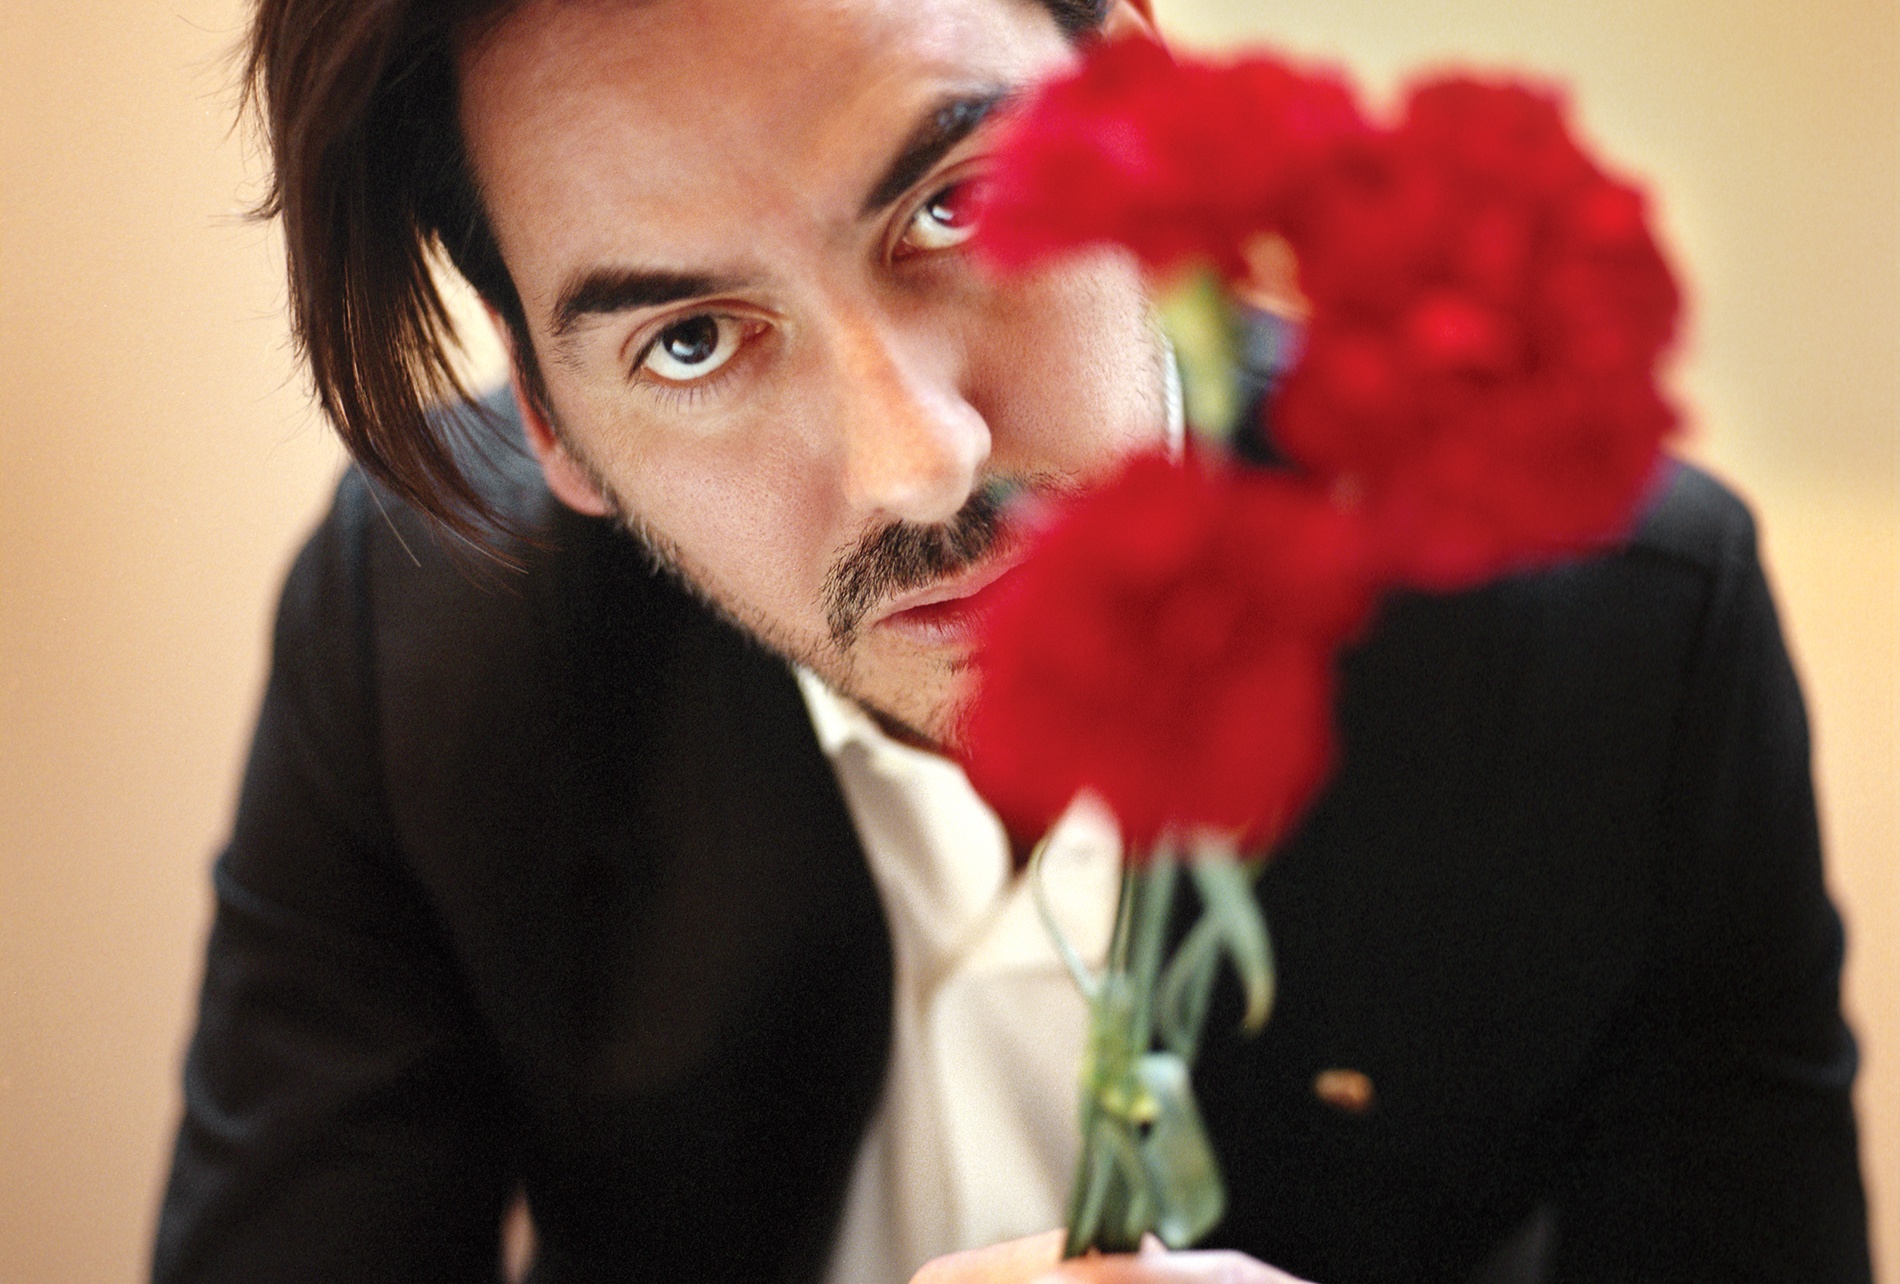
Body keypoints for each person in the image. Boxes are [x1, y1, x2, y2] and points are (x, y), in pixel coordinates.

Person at [153, 0, 1872, 1280]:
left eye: (957, 206)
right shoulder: (424, 637)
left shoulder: (1619, 634)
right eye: (688, 342)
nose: (921, 463)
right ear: (550, 426)